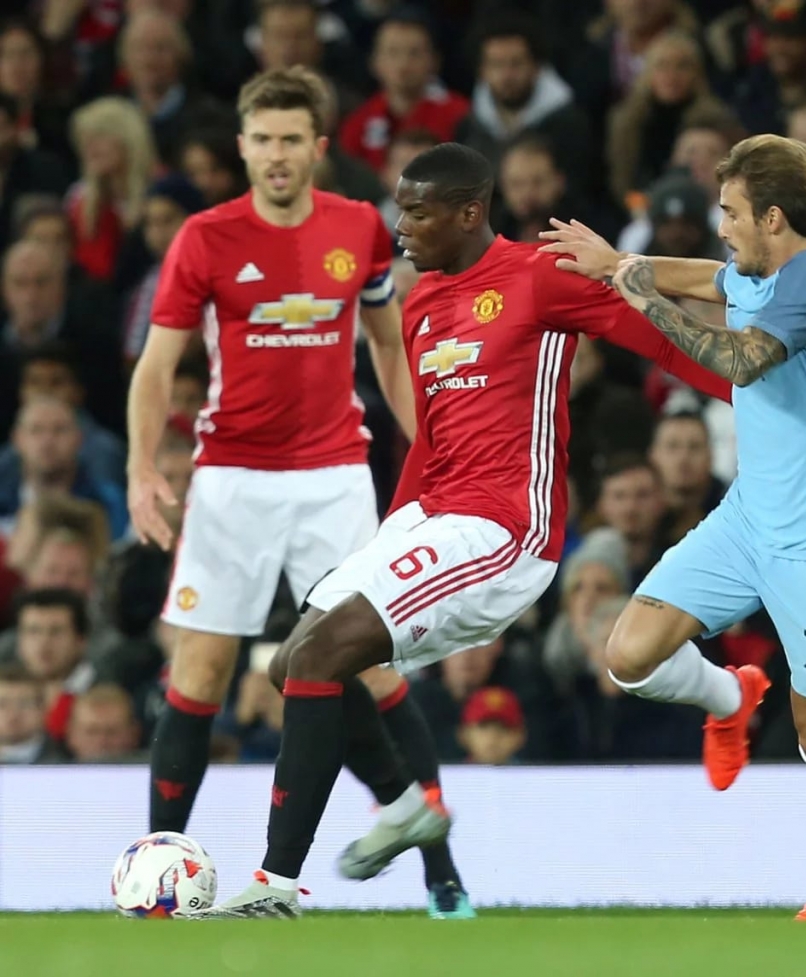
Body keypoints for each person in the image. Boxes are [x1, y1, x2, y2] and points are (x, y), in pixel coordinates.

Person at [199, 141, 732, 918]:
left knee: (320, 653)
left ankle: (277, 885)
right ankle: (407, 805)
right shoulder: (420, 302)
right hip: (432, 514)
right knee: (294, 664)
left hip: (504, 528)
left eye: (417, 211)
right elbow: (431, 440)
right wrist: (388, 543)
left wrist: (758, 399)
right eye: (399, 207)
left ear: (469, 211)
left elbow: (657, 340)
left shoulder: (541, 276)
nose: (400, 225)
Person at [126, 67, 470, 918]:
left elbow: (390, 351)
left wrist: (435, 447)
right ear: (242, 147)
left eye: (292, 140)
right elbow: (157, 365)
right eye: (263, 140)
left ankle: (443, 877)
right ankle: (157, 875)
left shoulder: (359, 228)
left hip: (331, 478)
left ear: (317, 148)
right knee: (200, 673)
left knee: (377, 673)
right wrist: (143, 469)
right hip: (232, 480)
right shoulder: (206, 238)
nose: (277, 156)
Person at [538, 134, 806, 921]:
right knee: (626, 655)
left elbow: (741, 360)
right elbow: (714, 277)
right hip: (746, 521)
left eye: (729, 213)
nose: (719, 227)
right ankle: (730, 697)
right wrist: (613, 262)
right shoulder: (763, 269)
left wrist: (642, 296)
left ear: (771, 216)